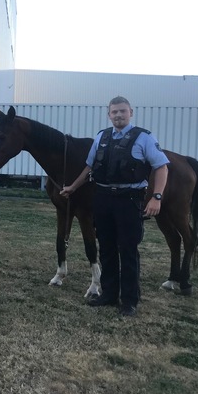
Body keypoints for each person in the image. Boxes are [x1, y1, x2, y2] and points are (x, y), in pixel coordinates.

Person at [60, 96, 169, 317]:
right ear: (108, 114)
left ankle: (129, 300)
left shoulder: (144, 138)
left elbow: (161, 166)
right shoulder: (102, 137)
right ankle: (109, 294)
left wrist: (157, 196)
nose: (118, 115)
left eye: (122, 111)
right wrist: (73, 186)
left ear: (131, 112)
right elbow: (90, 166)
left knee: (128, 250)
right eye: (114, 112)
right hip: (103, 198)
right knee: (107, 248)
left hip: (129, 200)